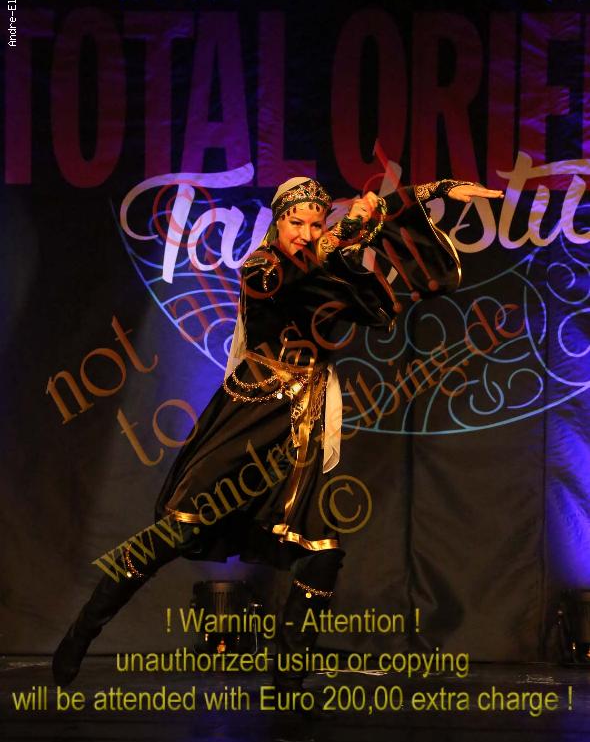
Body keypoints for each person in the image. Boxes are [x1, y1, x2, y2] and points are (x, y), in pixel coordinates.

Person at [52, 175, 503, 698]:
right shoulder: (262, 268)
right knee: (175, 531)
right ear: (277, 221)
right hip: (248, 418)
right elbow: (295, 275)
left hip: (301, 424)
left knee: (322, 552)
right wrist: (348, 231)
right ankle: (81, 632)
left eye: (316, 223)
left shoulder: (330, 267)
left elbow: (374, 298)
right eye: (296, 223)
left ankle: (288, 683)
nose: (306, 233)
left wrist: (434, 191)